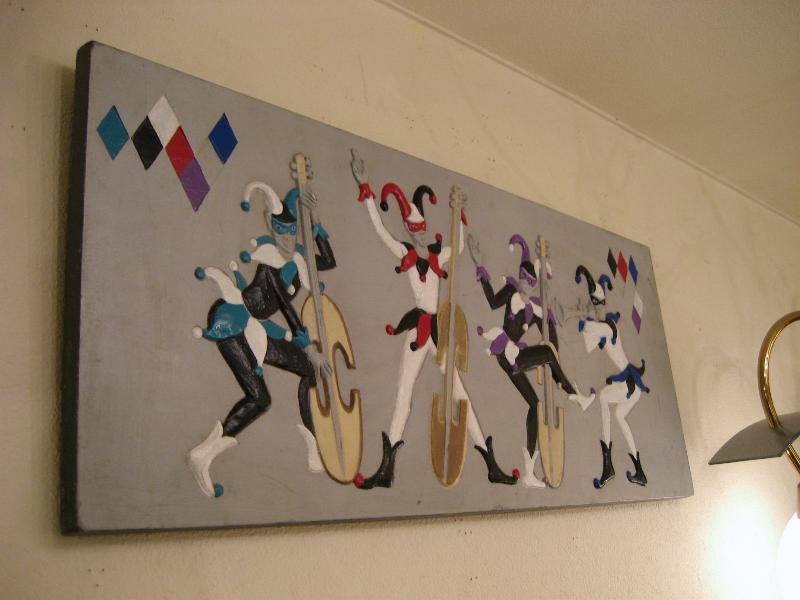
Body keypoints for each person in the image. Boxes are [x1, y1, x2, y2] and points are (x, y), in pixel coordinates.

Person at [349, 149, 517, 489]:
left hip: (437, 331)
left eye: (422, 229)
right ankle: (387, 468)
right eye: (414, 230)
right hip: (417, 330)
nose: (420, 235)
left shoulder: (439, 255)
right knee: (404, 392)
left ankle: (490, 463)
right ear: (408, 230)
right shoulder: (407, 253)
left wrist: (460, 212)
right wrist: (366, 188)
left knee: (460, 394)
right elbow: (381, 231)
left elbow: (458, 244)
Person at [187, 181, 335, 498]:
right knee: (260, 399)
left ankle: (313, 446)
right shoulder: (269, 263)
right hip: (233, 323)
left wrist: (316, 220)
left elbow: (328, 261)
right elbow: (286, 308)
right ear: (270, 226)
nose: (286, 240)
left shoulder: (297, 260)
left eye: (292, 233)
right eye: (280, 232)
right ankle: (204, 454)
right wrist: (309, 347)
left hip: (259, 329)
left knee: (309, 371)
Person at [468, 233, 579, 488]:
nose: (527, 285)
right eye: (524, 279)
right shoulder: (511, 292)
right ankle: (570, 391)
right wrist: (479, 264)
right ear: (519, 278)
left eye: (531, 281)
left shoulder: (536, 308)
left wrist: (551, 341)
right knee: (547, 356)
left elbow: (550, 339)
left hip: (514, 357)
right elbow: (492, 301)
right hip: (506, 351)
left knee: (535, 405)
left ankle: (529, 472)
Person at [567, 266, 648, 489]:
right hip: (629, 387)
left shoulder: (609, 327)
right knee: (620, 416)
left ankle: (608, 465)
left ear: (605, 304)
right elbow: (587, 344)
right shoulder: (602, 328)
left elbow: (587, 327)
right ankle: (639, 470)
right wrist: (585, 318)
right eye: (596, 306)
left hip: (628, 383)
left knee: (603, 398)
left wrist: (579, 315)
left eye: (601, 305)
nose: (599, 309)